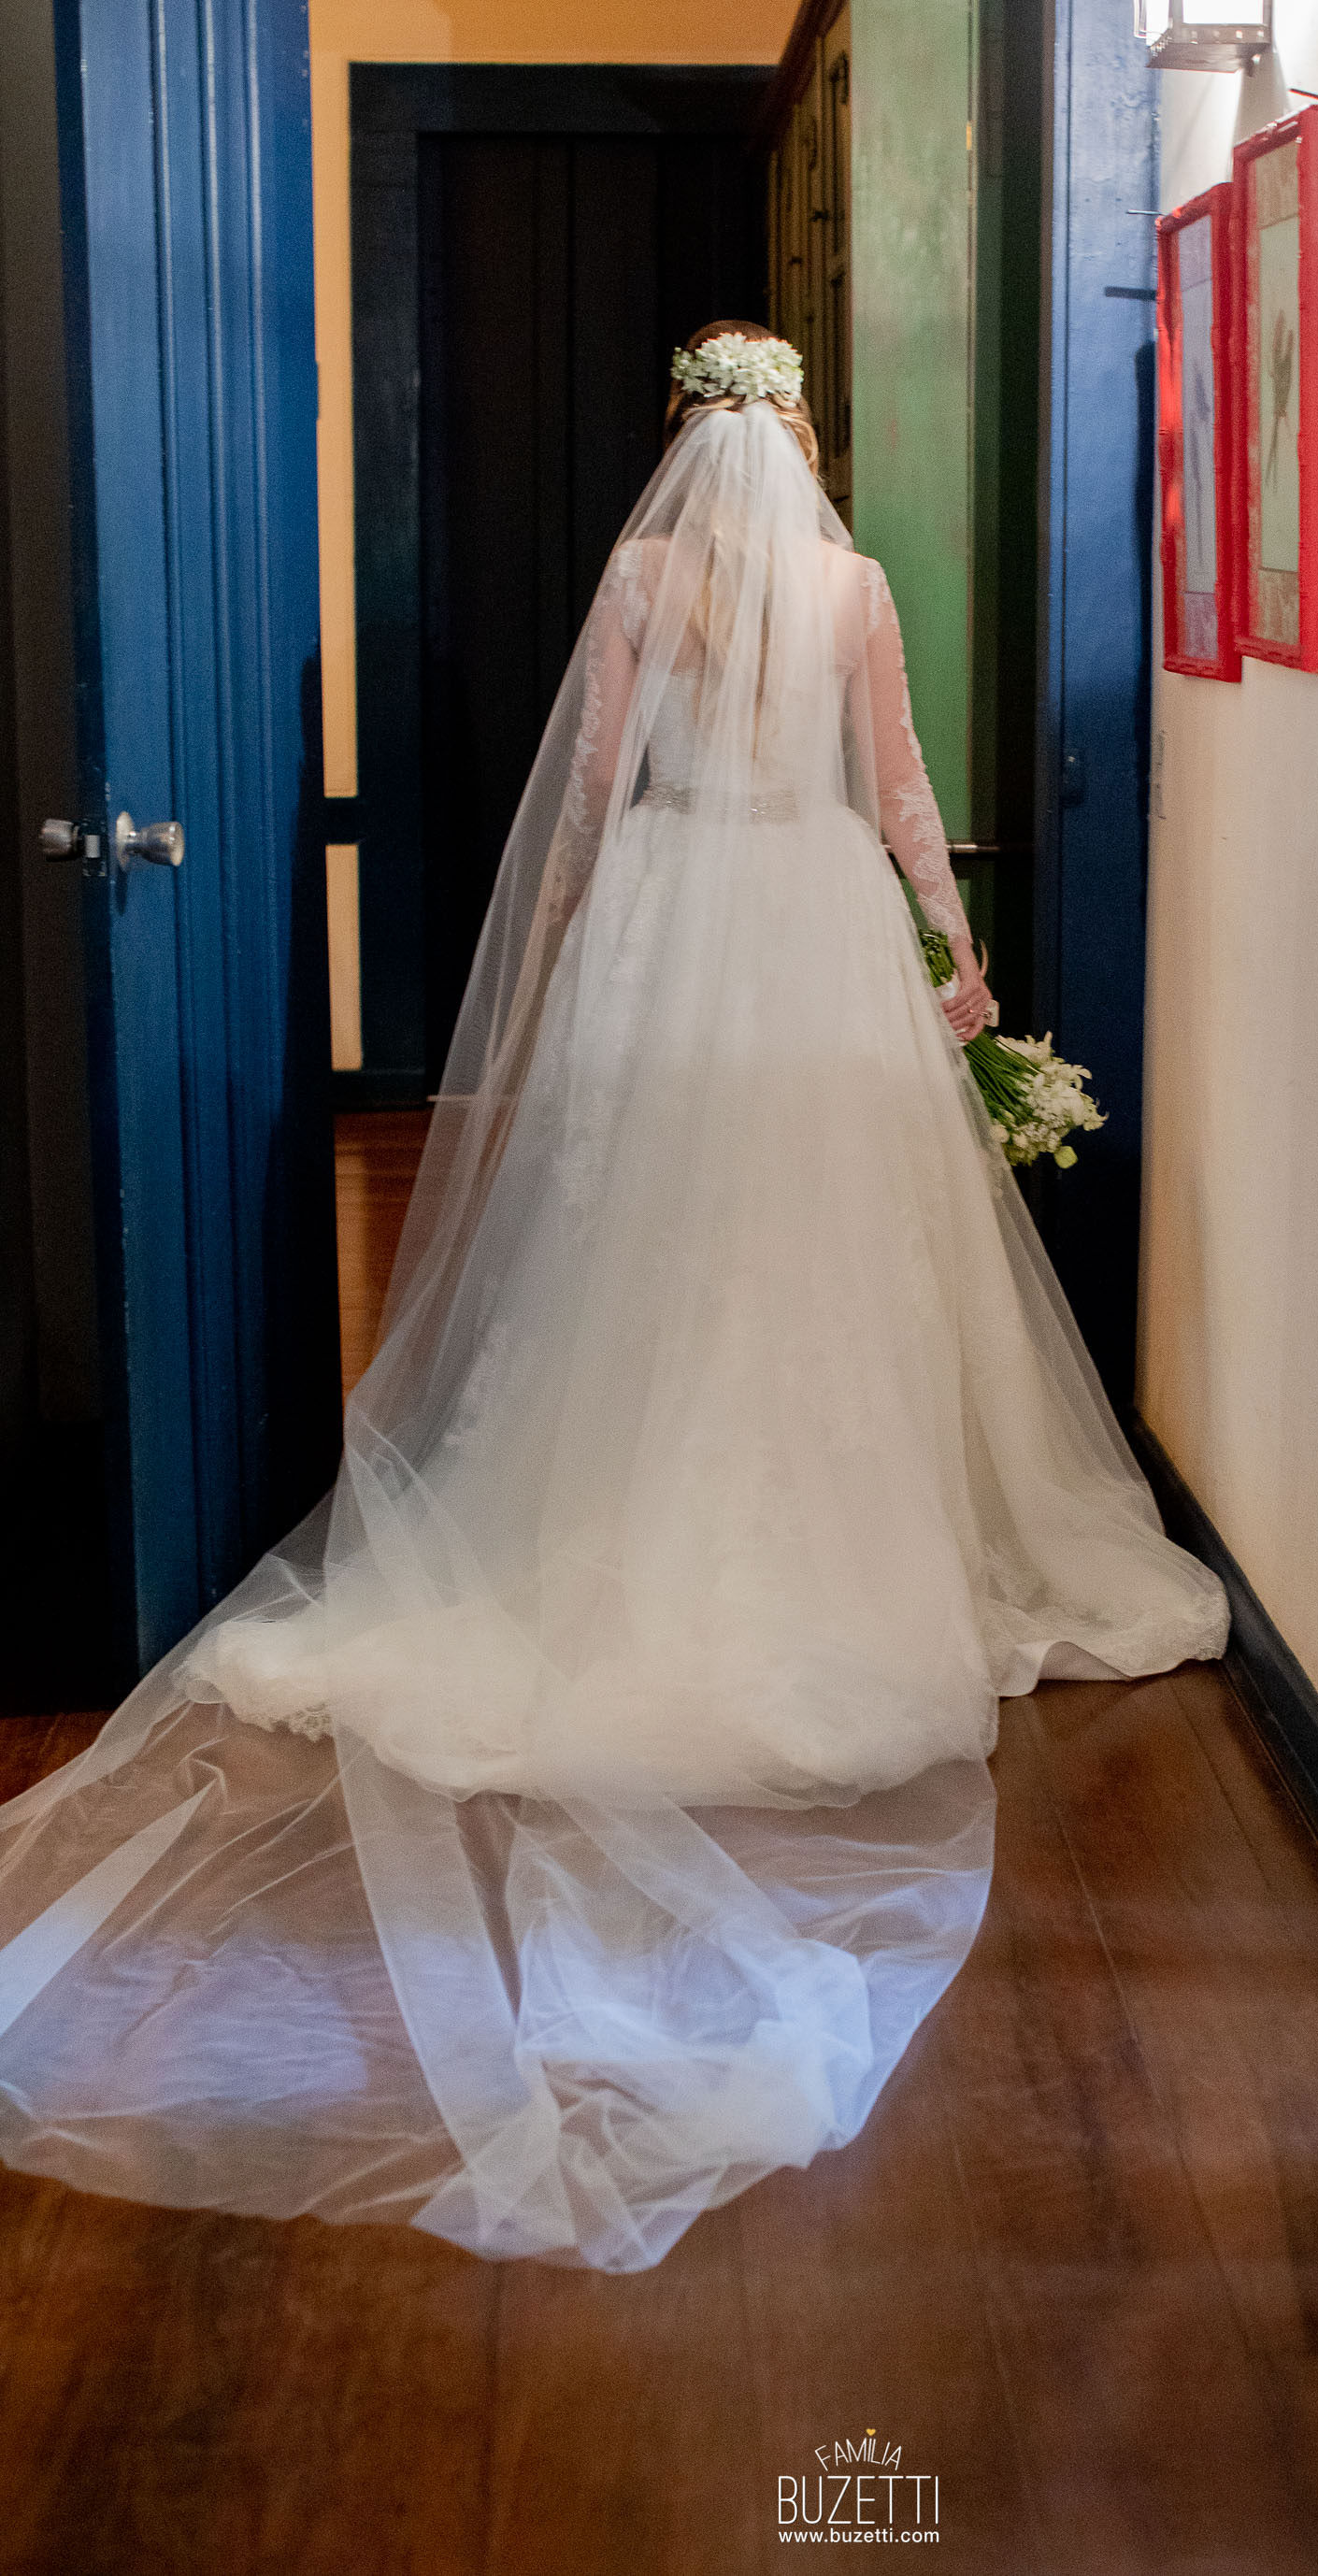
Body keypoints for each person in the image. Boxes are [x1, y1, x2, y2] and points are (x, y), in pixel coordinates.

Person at [0, 322, 1227, 2270]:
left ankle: (618, 1513)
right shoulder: (854, 587)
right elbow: (901, 790)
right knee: (827, 1247)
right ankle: (839, 1530)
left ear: (680, 435)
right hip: (811, 915)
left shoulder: (647, 574)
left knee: (645, 1239)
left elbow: (586, 788)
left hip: (675, 906)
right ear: (798, 433)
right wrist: (952, 952)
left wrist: (565, 930)